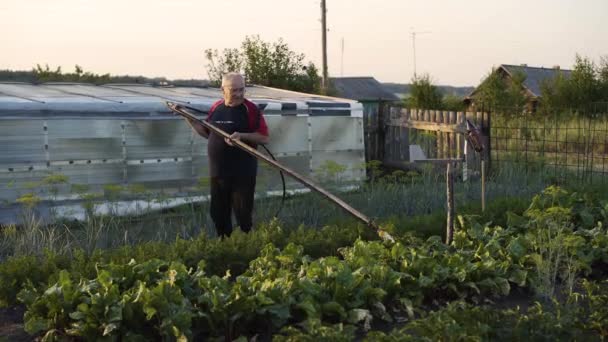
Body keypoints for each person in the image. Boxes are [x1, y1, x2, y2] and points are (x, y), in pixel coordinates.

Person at [183, 72, 269, 237]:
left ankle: (247, 249)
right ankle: (225, 248)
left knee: (243, 216)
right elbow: (208, 133)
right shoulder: (217, 107)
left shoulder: (250, 110)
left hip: (242, 174)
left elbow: (264, 138)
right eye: (234, 90)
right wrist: (189, 119)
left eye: (241, 90)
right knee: (219, 215)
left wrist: (242, 136)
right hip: (218, 173)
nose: (238, 94)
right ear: (223, 90)